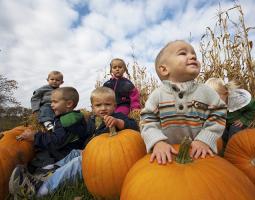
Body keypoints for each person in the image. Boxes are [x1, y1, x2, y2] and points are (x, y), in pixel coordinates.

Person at [9, 86, 139, 198]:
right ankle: (51, 172)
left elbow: (134, 126)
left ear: (115, 106)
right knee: (75, 152)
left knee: (80, 162)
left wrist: (118, 123)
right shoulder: (94, 122)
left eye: (108, 104)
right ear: (93, 107)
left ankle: (42, 188)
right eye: (98, 105)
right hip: (97, 154)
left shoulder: (118, 117)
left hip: (110, 161)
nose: (103, 108)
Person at [140, 40, 227, 165]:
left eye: (194, 55)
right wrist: (157, 142)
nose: (192, 56)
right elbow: (147, 121)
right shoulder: (157, 95)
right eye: (183, 53)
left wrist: (205, 139)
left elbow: (219, 113)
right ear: (164, 69)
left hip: (199, 153)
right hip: (167, 155)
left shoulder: (206, 92)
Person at [14, 86, 88, 173]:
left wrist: (35, 136)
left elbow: (56, 141)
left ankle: (47, 169)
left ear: (69, 104)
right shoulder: (71, 117)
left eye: (55, 102)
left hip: (65, 153)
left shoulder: (67, 121)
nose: (51, 105)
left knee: (41, 149)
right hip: (68, 150)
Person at [205, 77, 255, 146]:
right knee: (222, 134)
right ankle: (225, 149)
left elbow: (253, 107)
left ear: (226, 94)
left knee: (234, 132)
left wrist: (244, 119)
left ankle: (234, 149)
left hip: (237, 122)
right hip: (224, 122)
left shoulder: (238, 100)